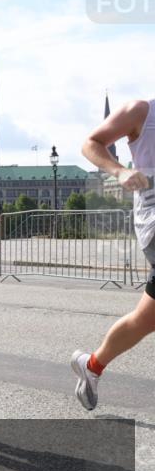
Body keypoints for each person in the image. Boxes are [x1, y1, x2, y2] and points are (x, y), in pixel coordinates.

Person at [71, 98, 155, 410]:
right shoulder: (141, 111)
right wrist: (119, 171)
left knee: (145, 319)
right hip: (154, 222)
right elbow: (91, 143)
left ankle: (91, 366)